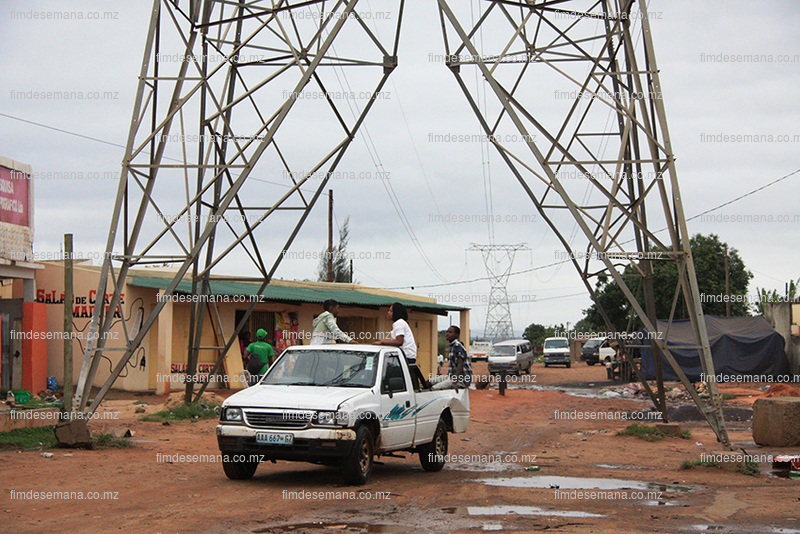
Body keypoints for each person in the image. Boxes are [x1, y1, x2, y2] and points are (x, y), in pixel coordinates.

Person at [445, 325, 472, 390]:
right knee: (429, 382)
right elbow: (453, 366)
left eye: (450, 332)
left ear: (456, 335)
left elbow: (460, 366)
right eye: (447, 332)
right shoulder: (452, 347)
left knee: (434, 388)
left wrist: (454, 383)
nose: (447, 334)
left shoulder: (457, 347)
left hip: (461, 379)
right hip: (451, 377)